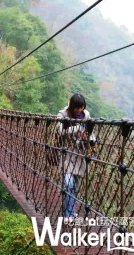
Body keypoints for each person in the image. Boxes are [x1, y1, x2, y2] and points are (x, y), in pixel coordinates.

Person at [56, 93, 95, 222]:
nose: (79, 110)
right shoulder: (63, 114)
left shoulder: (86, 115)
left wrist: (92, 142)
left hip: (80, 154)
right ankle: (69, 214)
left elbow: (90, 132)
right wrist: (78, 127)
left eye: (82, 107)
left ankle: (70, 211)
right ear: (72, 106)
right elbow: (60, 131)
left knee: (75, 188)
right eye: (77, 108)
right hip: (67, 152)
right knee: (68, 184)